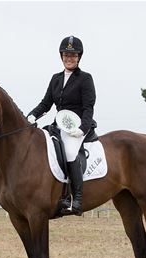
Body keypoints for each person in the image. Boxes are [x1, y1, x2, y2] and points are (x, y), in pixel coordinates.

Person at [26, 35, 96, 216]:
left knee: (71, 153)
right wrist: (32, 115)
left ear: (79, 57)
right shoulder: (55, 79)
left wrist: (82, 129)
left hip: (77, 127)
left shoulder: (85, 78)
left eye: (73, 55)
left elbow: (88, 108)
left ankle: (76, 199)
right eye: (66, 54)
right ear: (61, 56)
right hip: (59, 125)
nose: (69, 58)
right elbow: (46, 104)